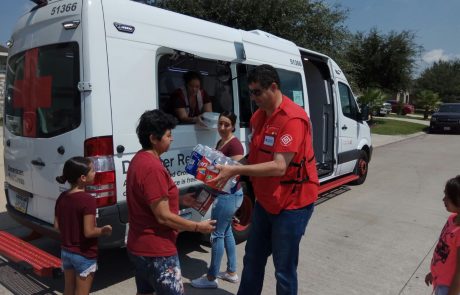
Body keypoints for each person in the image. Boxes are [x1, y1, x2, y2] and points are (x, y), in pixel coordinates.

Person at [209, 64, 319, 295]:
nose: (253, 97)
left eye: (257, 92)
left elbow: (279, 167)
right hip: (266, 202)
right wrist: (232, 167)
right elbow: (256, 157)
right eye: (250, 92)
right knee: (253, 259)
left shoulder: (293, 119)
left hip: (292, 205)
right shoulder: (259, 116)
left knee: (284, 269)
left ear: (274, 87)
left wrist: (234, 171)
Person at [126, 109, 216, 295]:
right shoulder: (152, 168)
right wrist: (198, 228)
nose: (172, 139)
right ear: (153, 138)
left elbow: (149, 201)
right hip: (156, 250)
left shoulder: (139, 159)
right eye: (168, 135)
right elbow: (163, 217)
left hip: (140, 247)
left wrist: (181, 200)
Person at [191, 111, 244, 289]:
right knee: (226, 231)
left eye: (226, 125)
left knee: (216, 234)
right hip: (223, 194)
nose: (222, 128)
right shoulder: (222, 141)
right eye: (220, 124)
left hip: (228, 196)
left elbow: (235, 175)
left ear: (233, 126)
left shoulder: (236, 146)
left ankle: (211, 277)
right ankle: (231, 272)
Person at [54, 157, 113, 295]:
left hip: (66, 251)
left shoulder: (62, 197)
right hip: (84, 254)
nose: (95, 172)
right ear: (83, 178)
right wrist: (104, 230)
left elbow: (57, 226)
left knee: (68, 289)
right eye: (92, 170)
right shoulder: (88, 200)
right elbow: (89, 232)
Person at [425, 175, 460, 295]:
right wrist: (433, 273)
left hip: (449, 288)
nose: (443, 199)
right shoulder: (452, 219)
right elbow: (444, 253)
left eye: (448, 197)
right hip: (439, 280)